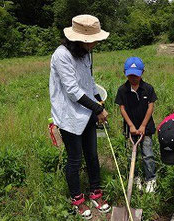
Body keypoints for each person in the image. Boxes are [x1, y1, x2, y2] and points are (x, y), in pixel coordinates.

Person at [49, 14, 111, 220]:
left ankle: (96, 193)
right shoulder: (61, 55)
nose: (95, 43)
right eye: (92, 40)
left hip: (86, 112)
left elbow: (89, 82)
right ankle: (77, 199)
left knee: (92, 155)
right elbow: (72, 91)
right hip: (68, 114)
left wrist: (98, 103)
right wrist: (97, 109)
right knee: (75, 159)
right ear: (79, 39)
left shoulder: (86, 54)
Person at [115, 57, 157, 193]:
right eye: (130, 75)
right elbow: (122, 109)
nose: (133, 78)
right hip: (131, 129)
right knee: (131, 155)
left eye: (136, 75)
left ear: (142, 72)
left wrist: (143, 126)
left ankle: (150, 179)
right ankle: (136, 177)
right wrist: (131, 126)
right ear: (125, 73)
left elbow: (150, 107)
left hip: (146, 128)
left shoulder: (148, 89)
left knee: (148, 154)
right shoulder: (122, 90)